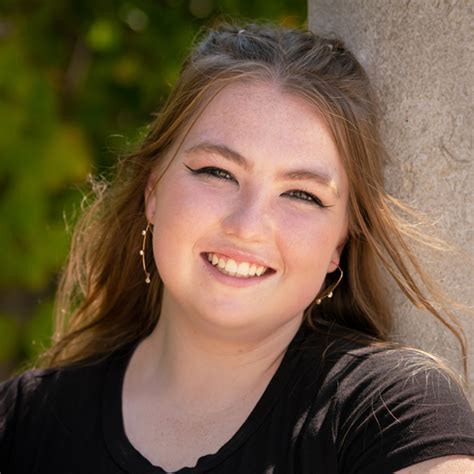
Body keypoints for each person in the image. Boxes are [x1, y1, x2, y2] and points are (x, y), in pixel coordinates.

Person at [0, 22, 473, 474]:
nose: (247, 227)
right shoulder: (22, 423)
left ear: (340, 242)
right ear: (153, 190)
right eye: (217, 172)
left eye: (302, 195)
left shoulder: (391, 416)